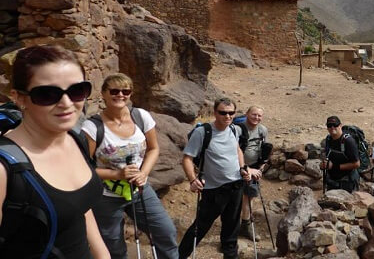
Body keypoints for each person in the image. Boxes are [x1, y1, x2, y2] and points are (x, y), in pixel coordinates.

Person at [0, 44, 109, 258]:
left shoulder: (75, 138)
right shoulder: (4, 169)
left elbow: (79, 208)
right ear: (19, 98)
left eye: (77, 91)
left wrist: (103, 255)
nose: (67, 103)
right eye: (47, 94)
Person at [80, 73, 178, 259]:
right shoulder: (92, 128)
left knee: (165, 232)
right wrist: (116, 174)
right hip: (106, 196)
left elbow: (153, 149)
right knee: (113, 247)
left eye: (126, 91)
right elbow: (83, 168)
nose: (120, 95)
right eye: (114, 91)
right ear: (103, 94)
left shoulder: (141, 117)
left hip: (140, 189)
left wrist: (143, 173)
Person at [178, 98, 260, 259]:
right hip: (213, 189)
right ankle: (179, 256)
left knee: (231, 228)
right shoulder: (203, 132)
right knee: (200, 227)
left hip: (235, 185)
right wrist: (193, 180)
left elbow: (237, 150)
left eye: (231, 113)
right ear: (215, 113)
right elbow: (187, 158)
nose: (227, 116)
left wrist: (243, 167)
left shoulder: (235, 130)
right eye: (223, 113)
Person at [238, 106, 269, 241]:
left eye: (259, 116)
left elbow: (264, 151)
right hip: (236, 168)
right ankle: (231, 228)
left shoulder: (263, 130)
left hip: (255, 169)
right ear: (247, 114)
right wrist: (245, 169)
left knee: (249, 196)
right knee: (233, 199)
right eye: (254, 114)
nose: (256, 118)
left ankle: (245, 225)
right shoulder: (238, 129)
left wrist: (260, 169)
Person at [320, 115, 360, 193]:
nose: (332, 127)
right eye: (329, 125)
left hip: (347, 182)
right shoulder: (328, 139)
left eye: (335, 125)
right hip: (332, 180)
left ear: (340, 125)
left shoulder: (348, 142)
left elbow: (357, 164)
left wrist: (334, 166)